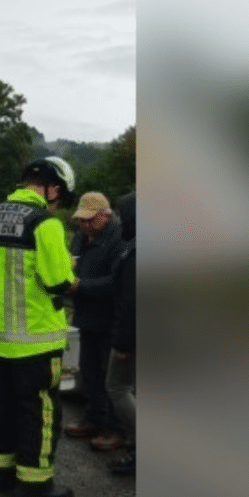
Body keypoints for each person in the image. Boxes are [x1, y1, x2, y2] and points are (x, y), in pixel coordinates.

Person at [0, 156, 78, 497]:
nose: (58, 201)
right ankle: (36, 486)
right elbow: (58, 280)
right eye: (60, 195)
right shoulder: (44, 223)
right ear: (52, 188)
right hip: (36, 343)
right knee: (39, 414)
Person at [63, 192, 127, 451]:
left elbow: (116, 282)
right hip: (86, 314)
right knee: (87, 369)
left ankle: (116, 428)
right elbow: (73, 260)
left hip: (110, 317)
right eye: (81, 220)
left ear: (105, 215)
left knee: (108, 376)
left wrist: (81, 286)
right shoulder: (81, 235)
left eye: (90, 220)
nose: (84, 225)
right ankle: (93, 418)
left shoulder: (119, 239)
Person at [106, 191, 136, 475]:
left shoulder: (134, 251)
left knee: (117, 387)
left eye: (122, 215)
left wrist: (123, 343)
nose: (119, 220)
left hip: (133, 337)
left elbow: (130, 302)